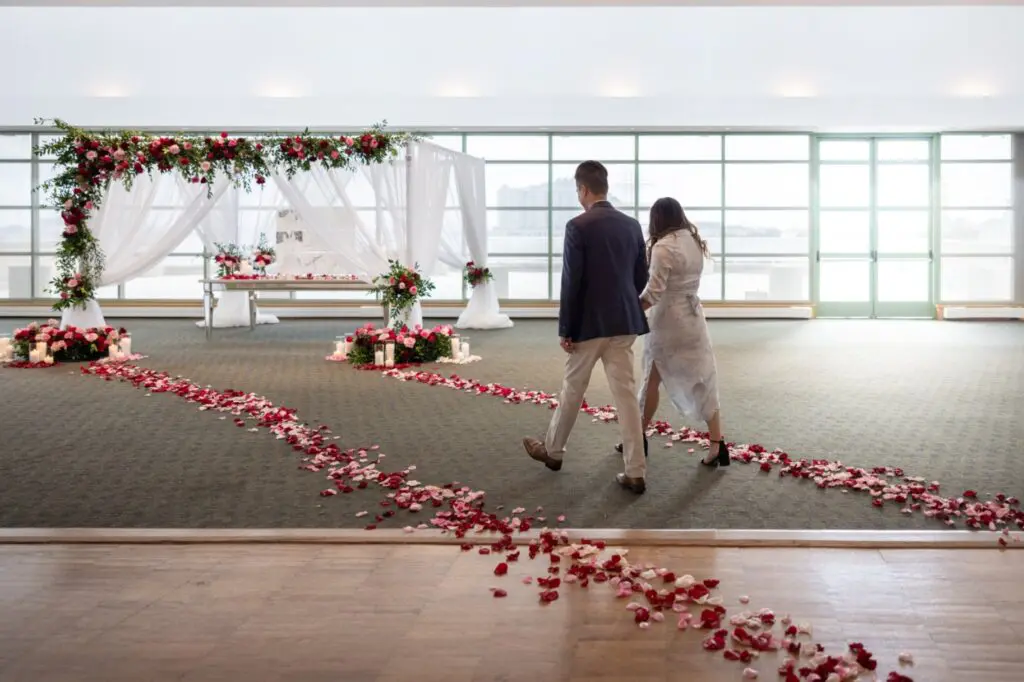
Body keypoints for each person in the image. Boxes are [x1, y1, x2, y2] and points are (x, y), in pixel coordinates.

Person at [522, 161, 651, 494]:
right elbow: (640, 279)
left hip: (590, 324)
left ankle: (553, 452)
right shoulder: (632, 225)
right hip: (624, 321)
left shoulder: (577, 226)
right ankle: (636, 470)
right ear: (604, 187)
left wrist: (566, 327)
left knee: (572, 390)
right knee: (625, 396)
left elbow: (572, 281)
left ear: (583, 189)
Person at [614, 197, 729, 467]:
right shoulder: (694, 240)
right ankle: (717, 444)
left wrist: (627, 311)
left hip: (667, 322)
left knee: (651, 379)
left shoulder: (663, 247)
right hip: (693, 319)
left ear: (657, 220)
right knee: (704, 378)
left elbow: (652, 294)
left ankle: (637, 438)